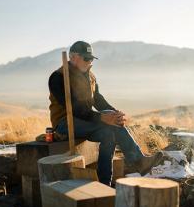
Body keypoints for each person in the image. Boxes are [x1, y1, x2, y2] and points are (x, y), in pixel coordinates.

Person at [48, 41, 163, 186]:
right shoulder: (58, 77)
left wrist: (114, 113)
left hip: (84, 120)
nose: (90, 62)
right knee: (107, 126)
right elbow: (75, 109)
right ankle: (139, 161)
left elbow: (97, 99)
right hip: (65, 123)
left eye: (91, 59)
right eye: (86, 58)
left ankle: (104, 183)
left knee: (108, 133)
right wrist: (102, 118)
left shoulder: (90, 76)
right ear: (73, 57)